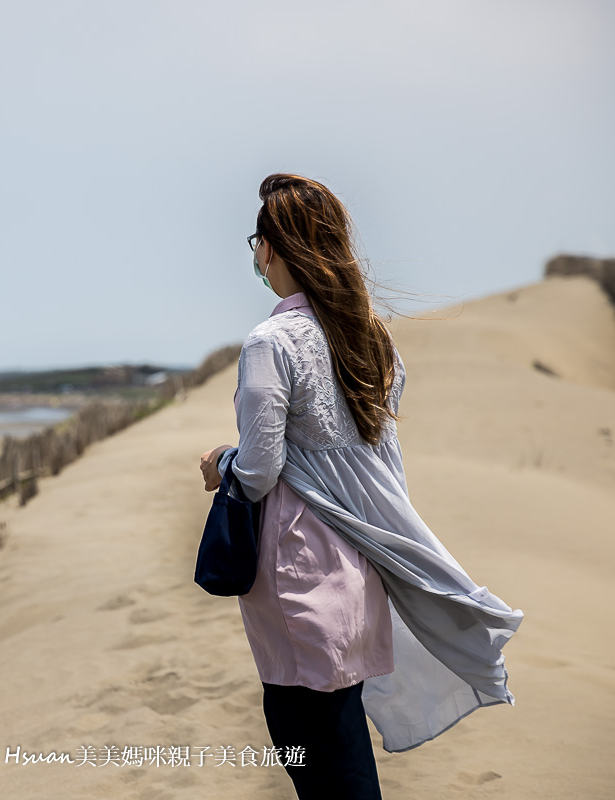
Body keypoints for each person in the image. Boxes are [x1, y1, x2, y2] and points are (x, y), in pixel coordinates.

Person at [198, 173, 523, 800]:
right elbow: (379, 458)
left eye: (258, 241)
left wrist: (222, 462)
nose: (257, 256)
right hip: (358, 568)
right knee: (339, 744)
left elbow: (261, 470)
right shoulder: (370, 338)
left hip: (300, 572)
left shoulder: (272, 342)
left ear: (276, 247)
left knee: (311, 747)